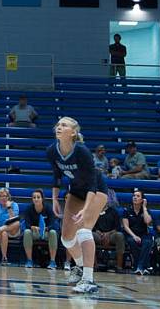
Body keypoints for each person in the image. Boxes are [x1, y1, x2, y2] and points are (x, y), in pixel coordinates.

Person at [46, 116, 109, 294]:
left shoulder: (82, 152)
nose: (59, 127)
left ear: (73, 132)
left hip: (96, 191)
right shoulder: (51, 150)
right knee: (66, 238)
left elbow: (92, 184)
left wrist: (86, 209)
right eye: (57, 124)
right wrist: (55, 199)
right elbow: (57, 175)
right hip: (75, 191)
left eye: (64, 125)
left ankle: (88, 280)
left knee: (83, 230)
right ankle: (80, 266)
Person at [22, 189, 59, 269]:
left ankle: (52, 261)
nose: (36, 199)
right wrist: (33, 227)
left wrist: (46, 228)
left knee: (53, 232)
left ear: (42, 199)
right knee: (26, 232)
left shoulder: (48, 208)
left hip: (46, 232)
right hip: (35, 232)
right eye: (34, 197)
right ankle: (29, 260)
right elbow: (27, 223)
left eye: (38, 197)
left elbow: (53, 223)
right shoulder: (29, 209)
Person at [122, 189, 154, 275]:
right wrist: (134, 236)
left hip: (144, 234)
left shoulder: (147, 211)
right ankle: (143, 266)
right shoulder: (127, 210)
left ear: (142, 200)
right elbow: (125, 226)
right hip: (131, 234)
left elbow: (147, 222)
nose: (135, 197)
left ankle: (139, 266)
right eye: (134, 196)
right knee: (132, 242)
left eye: (138, 196)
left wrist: (144, 207)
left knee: (147, 242)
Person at [0, 188, 21, 265]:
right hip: (0, 232)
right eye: (0, 196)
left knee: (17, 223)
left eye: (5, 196)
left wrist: (9, 207)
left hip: (12, 230)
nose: (3, 198)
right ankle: (4, 258)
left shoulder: (14, 205)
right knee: (4, 233)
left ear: (8, 197)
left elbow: (13, 220)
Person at [93, 199, 125, 272]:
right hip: (98, 234)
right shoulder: (95, 211)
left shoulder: (113, 211)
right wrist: (100, 233)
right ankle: (94, 265)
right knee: (90, 235)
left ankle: (119, 266)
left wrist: (108, 234)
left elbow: (118, 227)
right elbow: (93, 226)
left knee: (120, 235)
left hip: (111, 234)